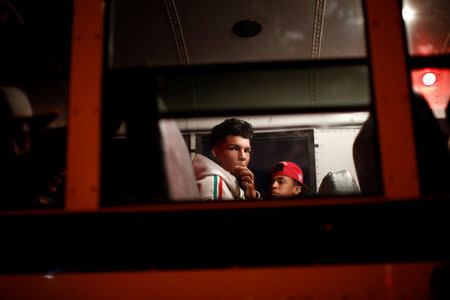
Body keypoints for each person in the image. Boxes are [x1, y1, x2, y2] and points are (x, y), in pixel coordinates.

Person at [192, 118, 260, 201]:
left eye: (246, 151)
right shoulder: (214, 186)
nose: (243, 157)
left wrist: (252, 198)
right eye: (233, 148)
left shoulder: (232, 185)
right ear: (215, 152)